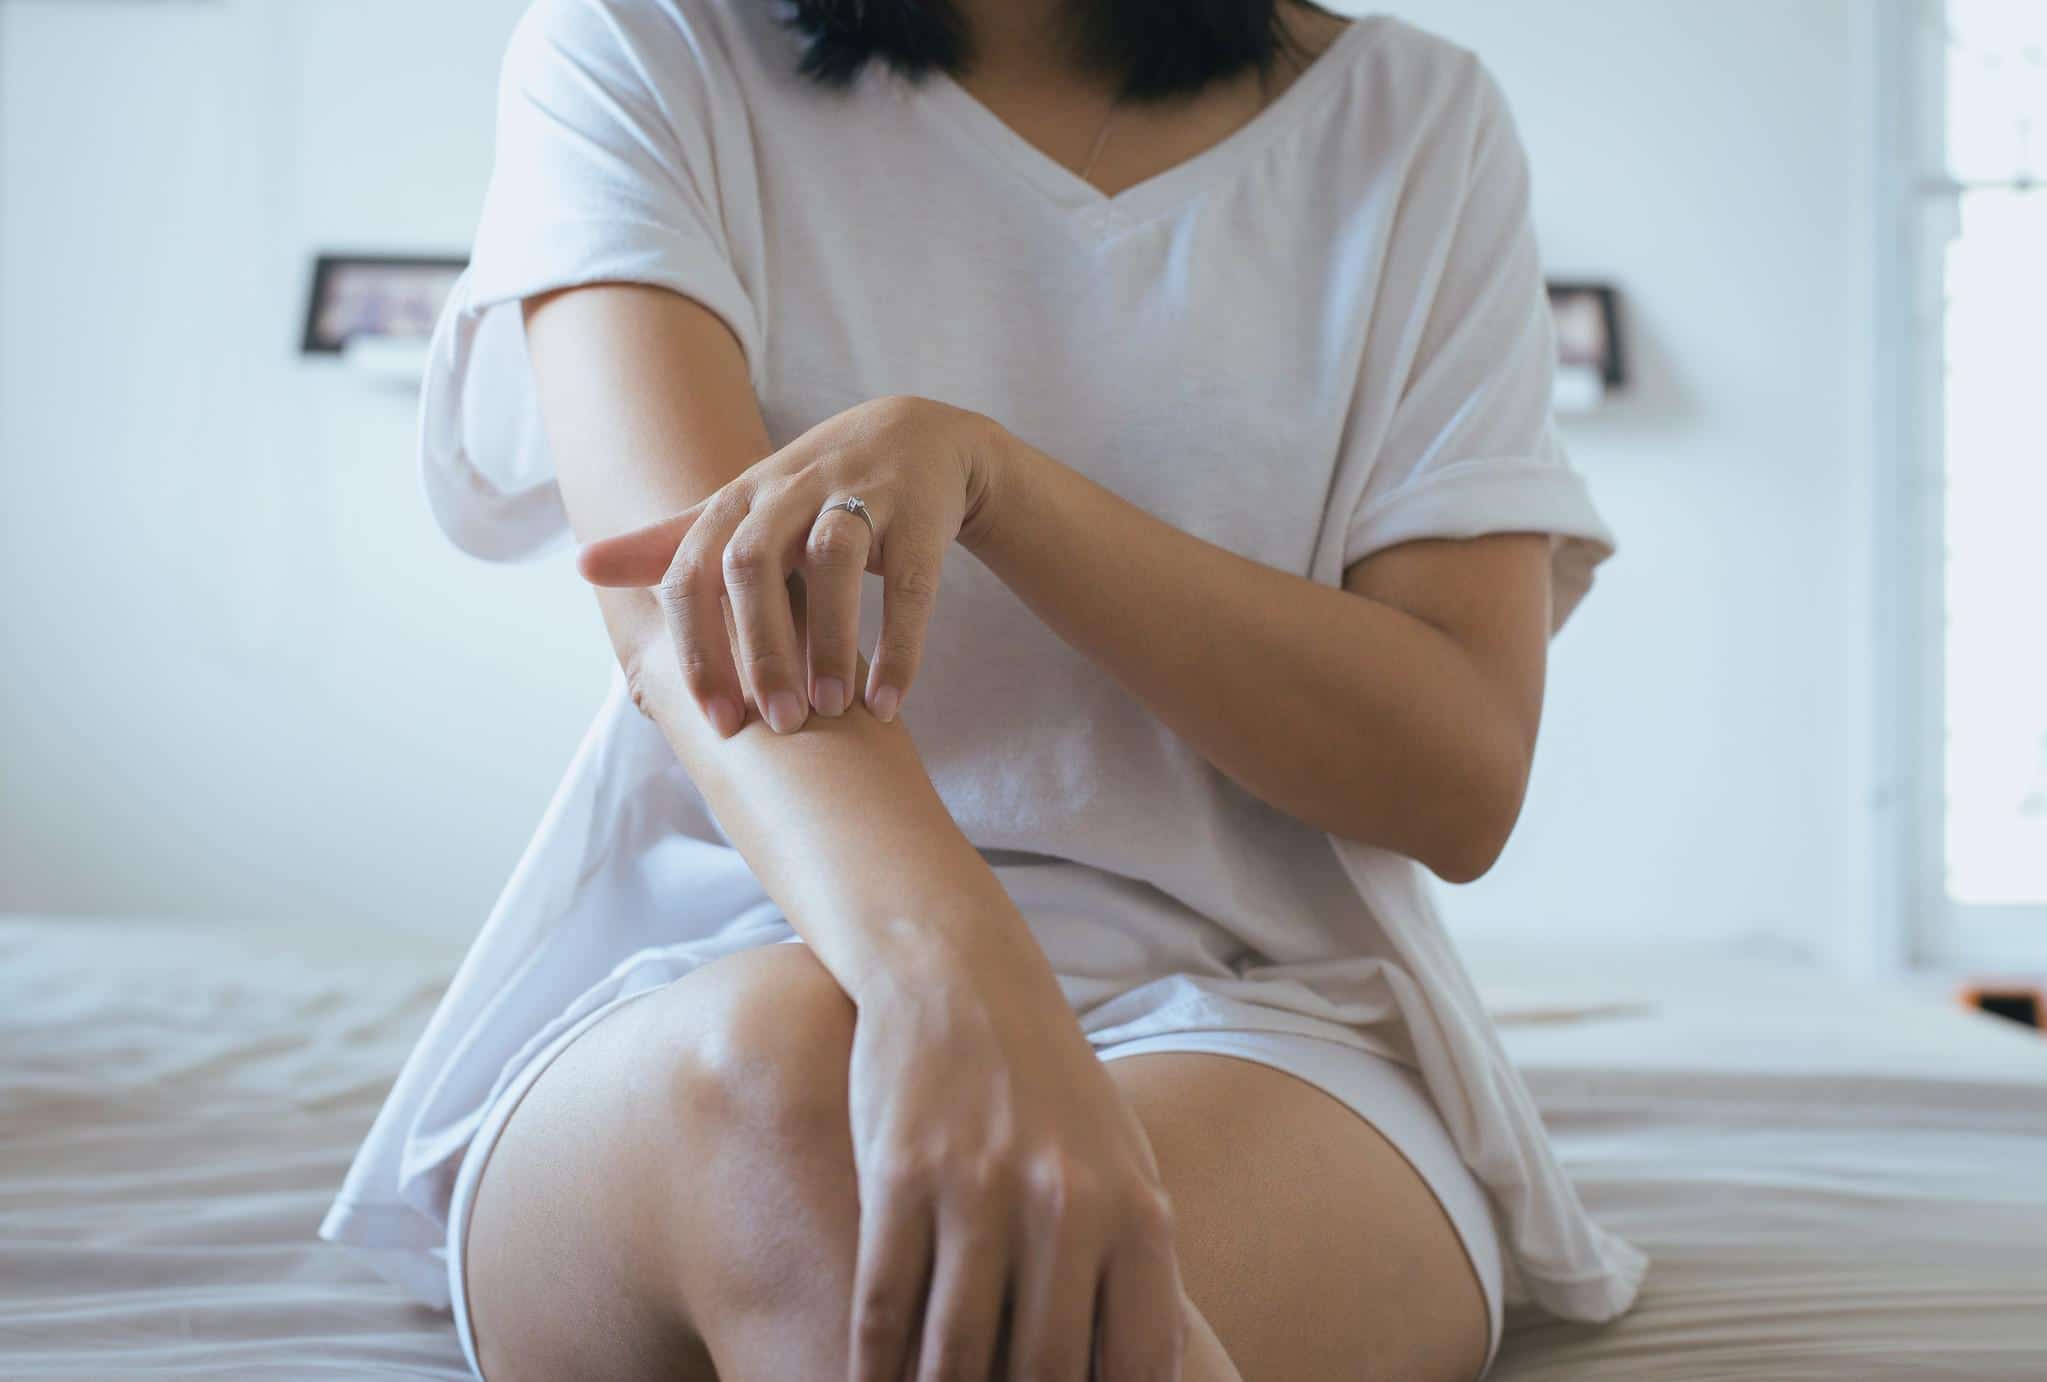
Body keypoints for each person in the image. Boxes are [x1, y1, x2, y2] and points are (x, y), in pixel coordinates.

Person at [320, 0, 1649, 1377]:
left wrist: (998, 486)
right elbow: (689, 622)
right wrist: (953, 984)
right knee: (783, 1081)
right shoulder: (640, 44)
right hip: (711, 982)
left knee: (997, 1278)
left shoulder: (1413, 126)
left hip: (1253, 1013)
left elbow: (1458, 770)